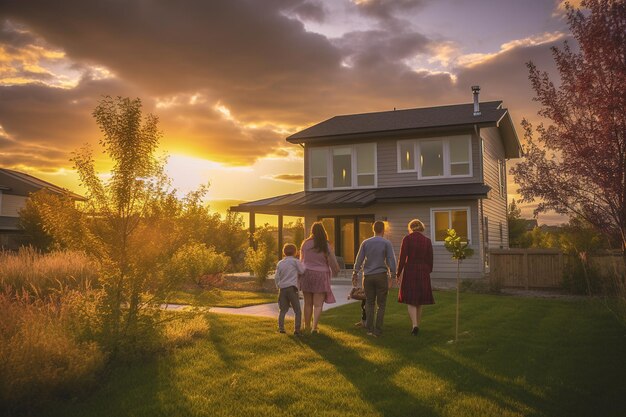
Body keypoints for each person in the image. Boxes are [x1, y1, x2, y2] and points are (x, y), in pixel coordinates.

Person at [352, 220, 396, 337]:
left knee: (369, 303)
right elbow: (391, 260)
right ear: (383, 230)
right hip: (381, 275)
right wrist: (393, 275)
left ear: (373, 229)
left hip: (368, 277)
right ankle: (378, 330)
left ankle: (370, 329)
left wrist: (355, 272)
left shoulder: (366, 242)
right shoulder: (386, 243)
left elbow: (359, 259)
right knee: (381, 304)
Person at [396, 219, 435, 336]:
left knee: (411, 299)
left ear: (411, 228)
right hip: (423, 270)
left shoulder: (407, 239)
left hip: (410, 269)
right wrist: (428, 270)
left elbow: (402, 258)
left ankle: (415, 325)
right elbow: (430, 259)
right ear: (421, 228)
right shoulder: (427, 241)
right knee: (420, 300)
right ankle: (417, 324)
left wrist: (398, 273)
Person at [299, 222, 338, 333]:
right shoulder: (325, 244)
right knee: (318, 304)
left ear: (312, 231)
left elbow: (302, 261)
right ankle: (314, 327)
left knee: (307, 303)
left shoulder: (305, 243)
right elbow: (332, 261)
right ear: (323, 231)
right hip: (321, 275)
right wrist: (336, 270)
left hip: (307, 274)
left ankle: (306, 326)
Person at [274, 243, 306, 334]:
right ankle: (297, 329)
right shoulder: (295, 262)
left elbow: (276, 277)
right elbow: (302, 271)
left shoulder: (280, 263)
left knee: (283, 310)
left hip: (282, 289)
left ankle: (281, 328)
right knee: (297, 311)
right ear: (295, 252)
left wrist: (278, 286)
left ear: (284, 252)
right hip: (292, 288)